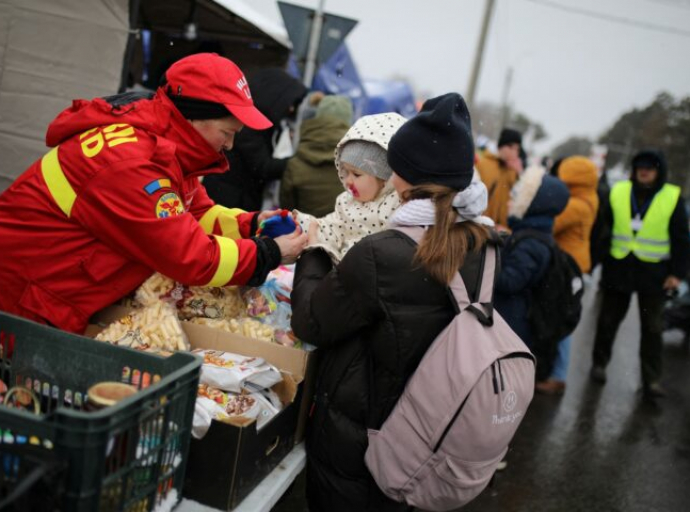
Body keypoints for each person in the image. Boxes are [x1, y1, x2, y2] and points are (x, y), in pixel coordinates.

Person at [0, 53, 308, 334]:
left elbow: (195, 213)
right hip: (23, 299)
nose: (229, 145)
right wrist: (269, 253)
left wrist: (250, 224)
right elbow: (191, 256)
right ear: (193, 117)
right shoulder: (133, 165)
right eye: (227, 133)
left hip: (50, 294)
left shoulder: (167, 149)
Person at [291, 93, 496, 511]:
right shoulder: (483, 243)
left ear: (401, 173)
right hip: (431, 428)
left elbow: (312, 322)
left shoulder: (381, 251)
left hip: (364, 428)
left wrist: (314, 251)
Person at [590, 149, 690, 398]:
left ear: (659, 171)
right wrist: (595, 260)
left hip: (654, 272)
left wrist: (678, 273)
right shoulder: (619, 190)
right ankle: (599, 364)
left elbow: (681, 238)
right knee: (607, 322)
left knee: (653, 329)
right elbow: (604, 228)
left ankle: (651, 380)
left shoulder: (672, 196)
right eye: (640, 167)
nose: (644, 171)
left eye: (650, 167)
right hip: (619, 268)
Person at [294, 112, 407, 262]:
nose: (348, 180)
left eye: (356, 174)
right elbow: (331, 229)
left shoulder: (398, 207)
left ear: (385, 179)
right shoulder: (346, 202)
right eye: (345, 172)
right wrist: (301, 222)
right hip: (342, 273)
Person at [202, 67, 308, 211]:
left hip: (233, 197)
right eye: (289, 104)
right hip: (228, 200)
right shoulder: (249, 124)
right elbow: (262, 167)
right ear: (275, 98)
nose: (290, 110)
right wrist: (298, 163)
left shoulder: (262, 124)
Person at [536, 156, 599, 395]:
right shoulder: (590, 198)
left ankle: (558, 375)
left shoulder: (575, 205)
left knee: (560, 321)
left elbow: (546, 224)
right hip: (575, 265)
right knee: (562, 318)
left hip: (567, 266)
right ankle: (554, 371)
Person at [493, 165, 570, 348]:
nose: (510, 199)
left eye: (517, 196)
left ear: (532, 204)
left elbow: (510, 281)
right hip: (512, 320)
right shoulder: (532, 234)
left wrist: (485, 261)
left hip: (511, 323)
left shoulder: (532, 243)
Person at [279, 94, 353, 217]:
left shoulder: (296, 160)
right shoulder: (358, 163)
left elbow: (287, 209)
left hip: (304, 232)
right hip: (346, 234)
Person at [476, 127, 523, 227]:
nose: (514, 152)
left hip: (503, 230)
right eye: (510, 147)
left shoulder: (514, 171)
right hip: (481, 225)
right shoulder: (483, 165)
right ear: (501, 146)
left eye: (517, 149)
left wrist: (520, 174)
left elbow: (520, 199)